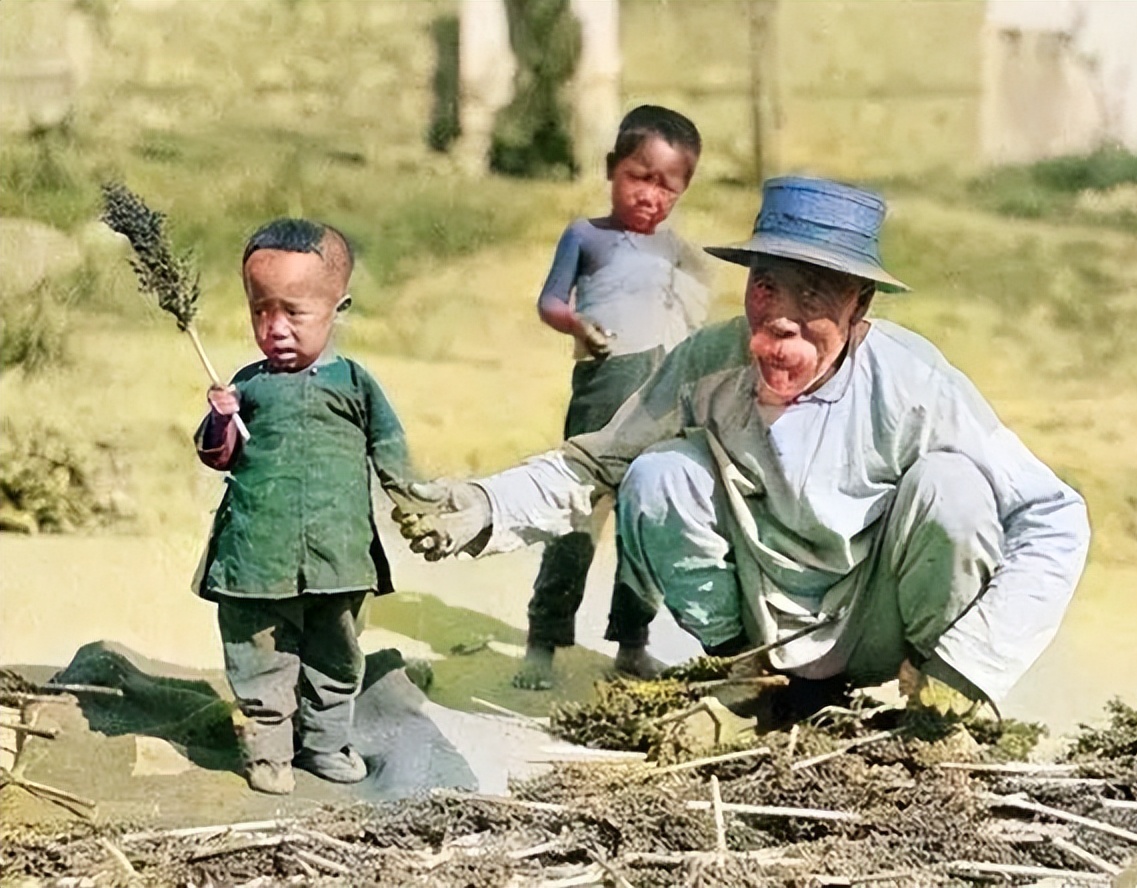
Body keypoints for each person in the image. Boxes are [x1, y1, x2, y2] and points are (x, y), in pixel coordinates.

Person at [395, 177, 1091, 716]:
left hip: (880, 622)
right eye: (766, 287)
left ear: (860, 307)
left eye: (812, 296)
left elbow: (1054, 514)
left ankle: (932, 705)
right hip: (762, 622)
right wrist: (484, 506)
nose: (779, 320)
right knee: (658, 474)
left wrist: (969, 666)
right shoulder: (710, 363)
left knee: (953, 489)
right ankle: (749, 684)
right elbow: (595, 462)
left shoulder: (916, 384)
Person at [195, 218, 431, 794]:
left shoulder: (354, 384)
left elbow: (389, 447)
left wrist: (415, 503)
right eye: (260, 311)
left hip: (338, 554)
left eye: (293, 312)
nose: (274, 328)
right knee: (259, 655)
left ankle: (326, 744)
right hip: (257, 552)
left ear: (336, 308)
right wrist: (221, 419)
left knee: (336, 654)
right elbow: (217, 455)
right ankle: (270, 752)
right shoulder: (247, 386)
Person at [513, 104, 710, 690]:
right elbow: (550, 301)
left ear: (684, 188)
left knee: (645, 522)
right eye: (637, 176)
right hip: (603, 392)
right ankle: (543, 640)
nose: (650, 194)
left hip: (663, 399)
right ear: (610, 169)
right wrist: (577, 325)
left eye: (666, 185)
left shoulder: (680, 254)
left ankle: (633, 642)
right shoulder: (587, 236)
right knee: (577, 516)